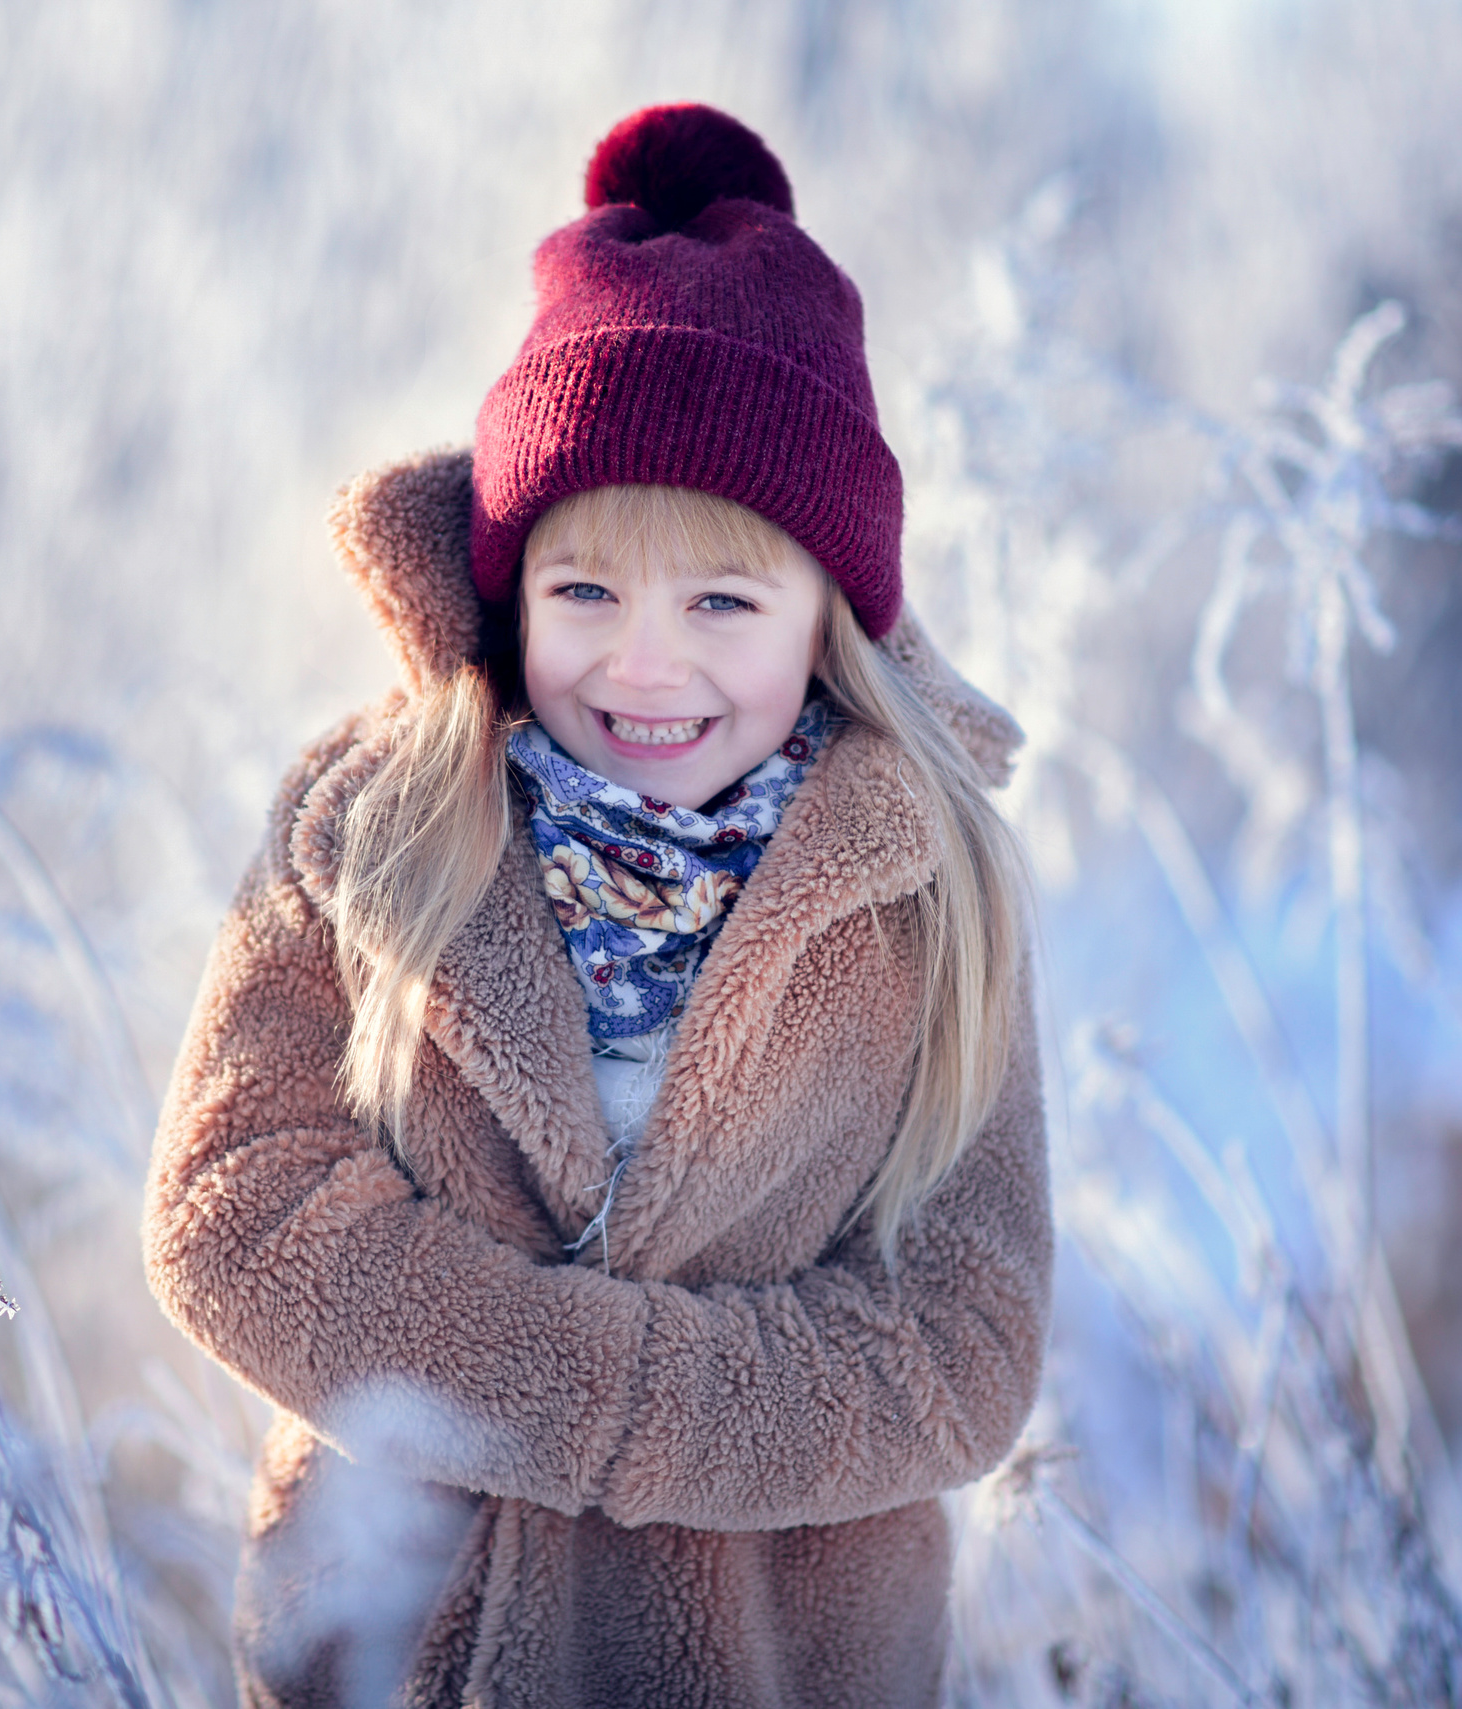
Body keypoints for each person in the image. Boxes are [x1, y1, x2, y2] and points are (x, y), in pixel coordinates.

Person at [144, 102, 1052, 1709]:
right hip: (406, 1652)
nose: (644, 663)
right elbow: (235, 1208)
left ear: (827, 615)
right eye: (587, 590)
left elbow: (963, 1339)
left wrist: (624, 1406)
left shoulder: (932, 886)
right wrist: (570, 1385)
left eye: (721, 597)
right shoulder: (377, 825)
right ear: (512, 588)